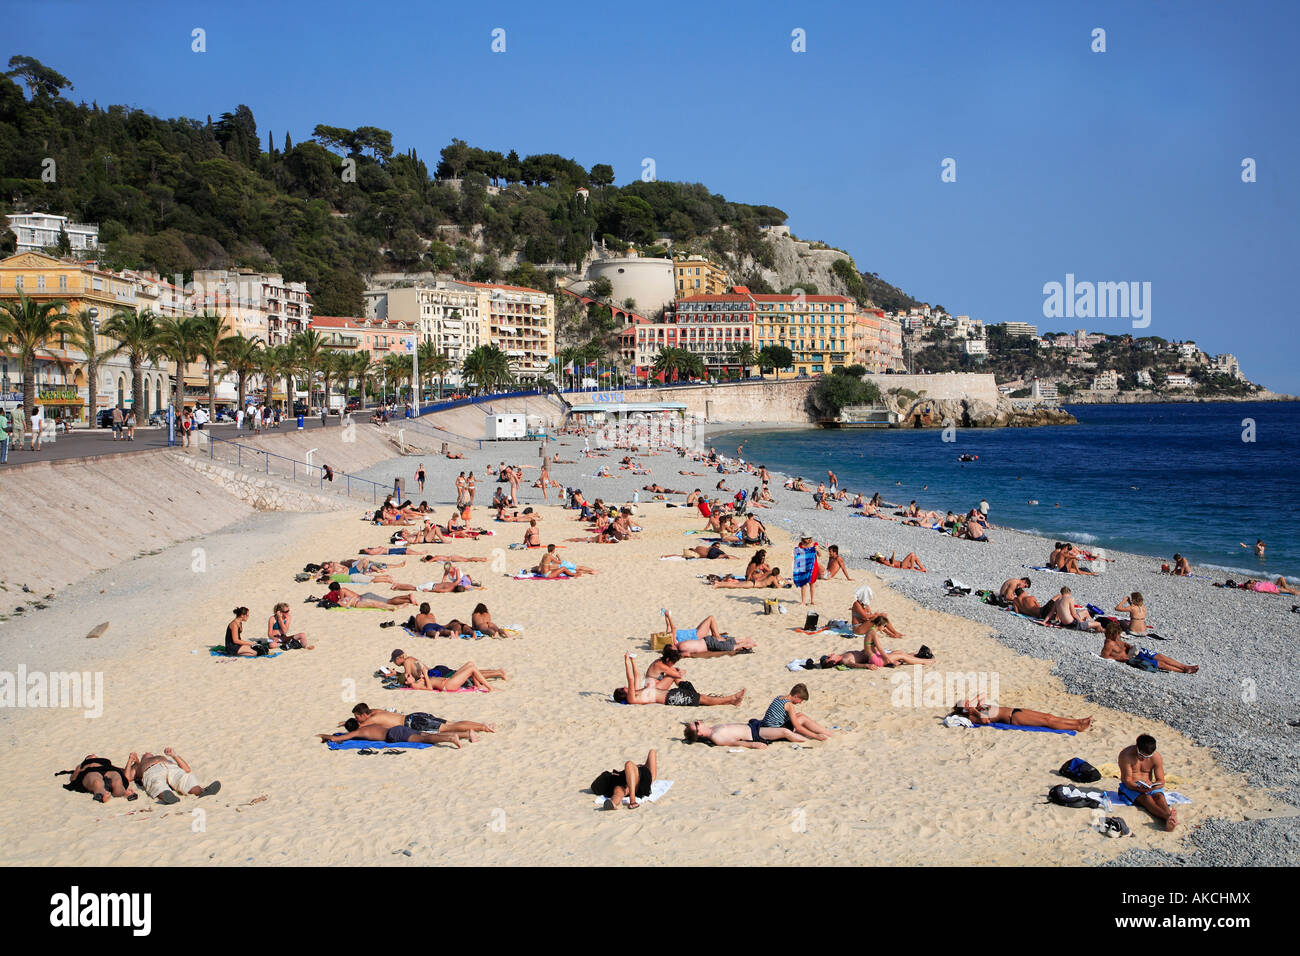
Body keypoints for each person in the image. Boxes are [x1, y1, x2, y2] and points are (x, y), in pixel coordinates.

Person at [614, 652, 745, 706]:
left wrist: (632, 661)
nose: (625, 686)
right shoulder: (632, 698)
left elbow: (636, 676)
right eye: (623, 688)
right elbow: (630, 679)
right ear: (623, 693)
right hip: (672, 698)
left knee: (698, 696)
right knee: (702, 699)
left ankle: (730, 699)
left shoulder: (637, 692)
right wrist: (625, 661)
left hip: (671, 695)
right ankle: (732, 699)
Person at [1118, 734, 1177, 830]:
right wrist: (1138, 788)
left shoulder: (1156, 757)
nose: (1144, 759)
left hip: (1149, 785)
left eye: (1148, 756)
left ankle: (1169, 818)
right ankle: (1168, 817)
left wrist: (1154, 786)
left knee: (1159, 796)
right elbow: (1127, 780)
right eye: (1141, 755)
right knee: (1147, 798)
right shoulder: (1126, 755)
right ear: (1137, 747)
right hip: (1131, 787)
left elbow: (1161, 780)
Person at [825, 616, 932, 668]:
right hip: (875, 660)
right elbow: (854, 664)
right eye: (829, 657)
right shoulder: (844, 659)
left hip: (873, 656)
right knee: (901, 656)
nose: (830, 654)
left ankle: (919, 657)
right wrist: (887, 660)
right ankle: (924, 661)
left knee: (899, 652)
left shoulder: (842, 655)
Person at [124, 748, 221, 805]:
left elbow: (186, 769)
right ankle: (168, 795)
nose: (146, 753)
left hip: (170, 767)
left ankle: (202, 791)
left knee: (184, 777)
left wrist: (174, 755)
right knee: (157, 783)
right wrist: (130, 761)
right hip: (151, 771)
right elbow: (127, 778)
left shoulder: (164, 758)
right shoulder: (139, 765)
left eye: (148, 753)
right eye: (144, 754)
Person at [951, 695, 1092, 732]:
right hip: (1013, 718)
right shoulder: (973, 715)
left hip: (1016, 710)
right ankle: (1076, 726)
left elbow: (981, 694)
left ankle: (1078, 721)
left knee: (1049, 716)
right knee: (1047, 721)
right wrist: (973, 710)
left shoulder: (979, 707)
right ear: (964, 709)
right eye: (966, 704)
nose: (969, 703)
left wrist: (973, 703)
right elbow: (986, 722)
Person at [1100, 620, 1197, 673]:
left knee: (1160, 656)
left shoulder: (1116, 638)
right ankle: (1183, 670)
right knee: (1160, 664)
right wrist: (1120, 658)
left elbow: (1122, 644)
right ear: (1112, 633)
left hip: (1134, 652)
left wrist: (1127, 645)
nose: (1119, 636)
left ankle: (1184, 666)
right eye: (1117, 634)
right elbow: (1105, 656)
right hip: (1129, 658)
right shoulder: (1108, 643)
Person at [347, 703, 493, 737]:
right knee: (451, 723)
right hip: (414, 715)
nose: (358, 720)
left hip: (413, 723)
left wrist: (348, 724)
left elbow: (359, 729)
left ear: (362, 715)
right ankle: (481, 725)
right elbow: (370, 712)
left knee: (449, 728)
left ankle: (483, 728)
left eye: (357, 718)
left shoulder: (372, 719)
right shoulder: (377, 712)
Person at [389, 650, 505, 690]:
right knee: (466, 671)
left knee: (467, 674)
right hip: (437, 670)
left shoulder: (406, 662)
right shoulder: (410, 659)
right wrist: (397, 673)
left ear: (399, 658)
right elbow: (408, 676)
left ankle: (497, 672)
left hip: (436, 674)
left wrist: (396, 676)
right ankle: (497, 672)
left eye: (394, 660)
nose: (395, 663)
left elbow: (408, 676)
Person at [661, 610, 755, 655]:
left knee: (711, 620)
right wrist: (669, 616)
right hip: (697, 635)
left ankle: (720, 637)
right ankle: (718, 636)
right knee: (711, 618)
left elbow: (669, 626)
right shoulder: (674, 640)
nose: (662, 633)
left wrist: (666, 616)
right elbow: (673, 627)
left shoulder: (670, 635)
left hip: (697, 634)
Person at [761, 685, 831, 741]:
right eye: (801, 700)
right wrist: (815, 736)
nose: (800, 703)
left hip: (768, 725)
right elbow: (798, 728)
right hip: (776, 730)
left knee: (800, 714)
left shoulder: (780, 697)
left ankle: (825, 731)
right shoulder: (789, 704)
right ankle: (828, 733)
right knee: (803, 718)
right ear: (796, 696)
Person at [57, 754, 137, 803]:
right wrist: (81, 770)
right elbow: (74, 778)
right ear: (86, 759)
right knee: (96, 781)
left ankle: (122, 792)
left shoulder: (105, 762)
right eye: (89, 756)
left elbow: (122, 772)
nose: (92, 755)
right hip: (90, 771)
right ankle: (102, 794)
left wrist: (130, 761)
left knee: (117, 778)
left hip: (107, 770)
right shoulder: (82, 765)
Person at [591, 749, 656, 810]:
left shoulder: (643, 774)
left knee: (619, 792)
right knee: (628, 765)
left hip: (625, 781)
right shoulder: (647, 775)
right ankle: (632, 800)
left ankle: (614, 802)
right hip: (633, 781)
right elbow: (652, 753)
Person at [684, 719, 810, 748]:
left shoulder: (713, 728)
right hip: (756, 733)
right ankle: (809, 740)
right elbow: (734, 743)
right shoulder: (716, 737)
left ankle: (816, 733)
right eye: (696, 724)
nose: (698, 721)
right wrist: (753, 745)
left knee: (794, 720)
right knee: (785, 732)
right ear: (699, 732)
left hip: (753, 725)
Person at [322, 581, 417, 608]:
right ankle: (408, 598)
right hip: (365, 596)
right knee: (388, 600)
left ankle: (408, 597)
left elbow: (341, 601)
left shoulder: (342, 590)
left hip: (364, 598)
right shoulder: (342, 589)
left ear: (334, 590)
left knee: (389, 601)